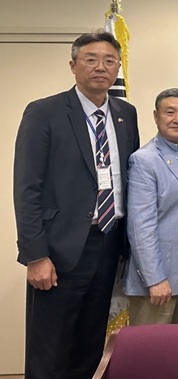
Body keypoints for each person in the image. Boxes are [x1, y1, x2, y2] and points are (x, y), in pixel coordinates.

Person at [13, 31, 140, 379]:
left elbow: (130, 176)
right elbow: (27, 188)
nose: (101, 67)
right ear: (73, 65)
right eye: (91, 59)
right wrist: (35, 255)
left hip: (109, 245)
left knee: (90, 345)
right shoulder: (44, 112)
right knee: (50, 349)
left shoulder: (125, 114)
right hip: (59, 251)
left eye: (109, 61)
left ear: (117, 67)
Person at [123, 88, 178, 325]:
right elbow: (141, 227)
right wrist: (155, 279)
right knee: (151, 345)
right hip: (159, 276)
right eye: (170, 112)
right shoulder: (144, 160)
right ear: (156, 116)